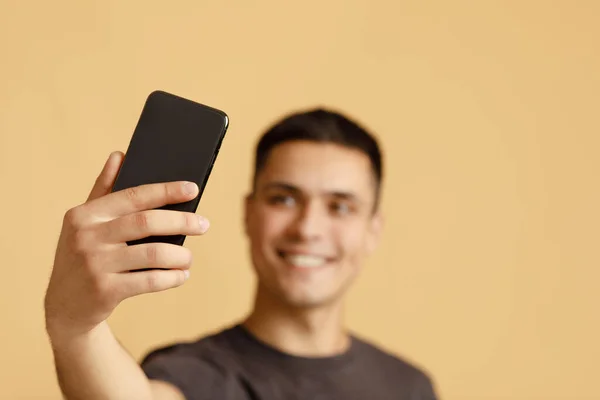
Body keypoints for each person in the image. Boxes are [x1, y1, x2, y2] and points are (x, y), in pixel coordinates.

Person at [44, 108, 439, 400]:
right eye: (283, 199)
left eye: (340, 206)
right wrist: (76, 328)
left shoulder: (411, 386)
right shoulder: (196, 375)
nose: (307, 228)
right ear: (248, 214)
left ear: (373, 230)